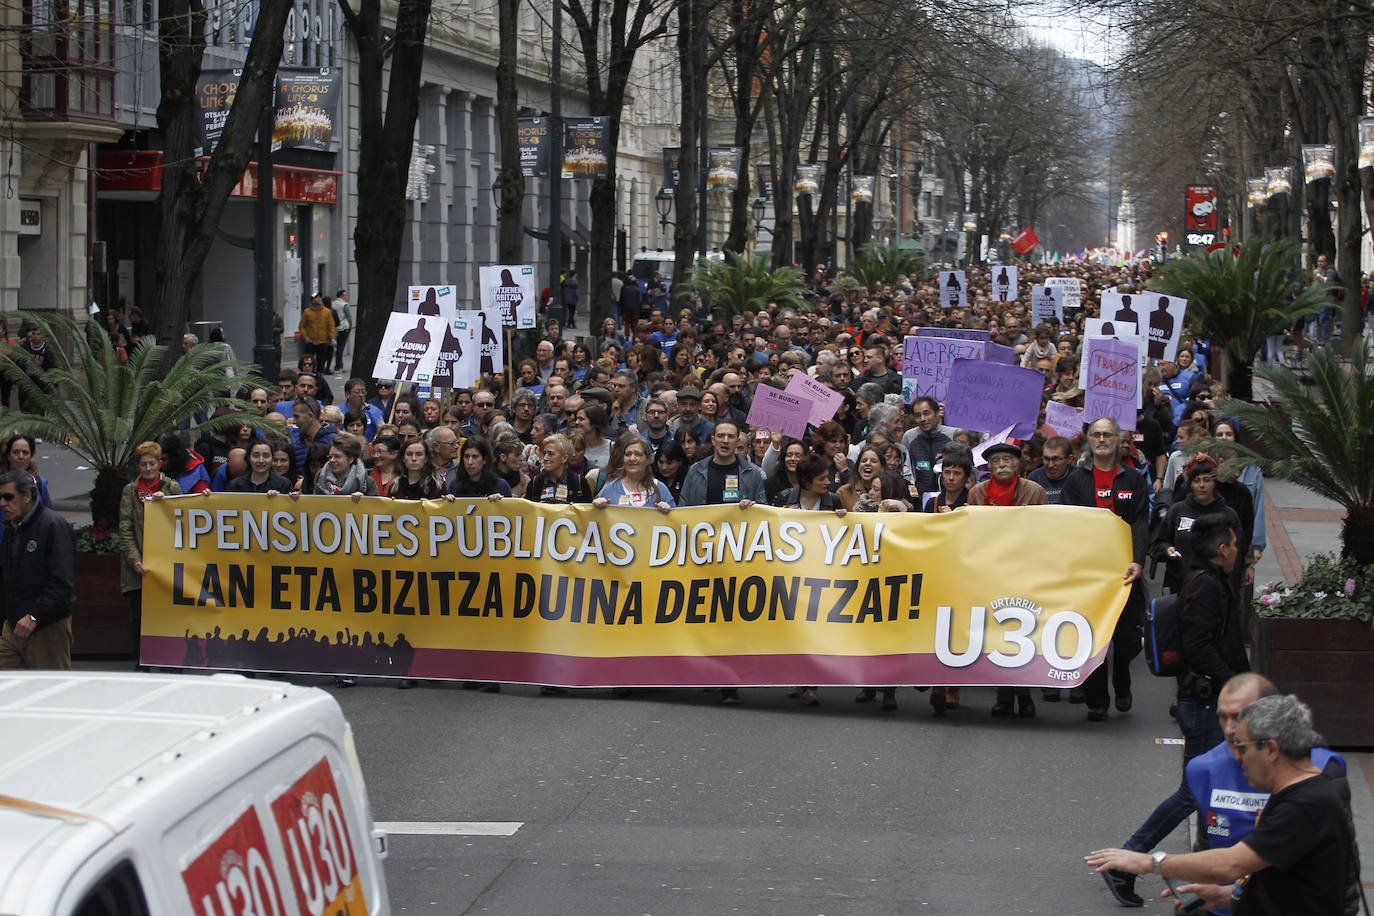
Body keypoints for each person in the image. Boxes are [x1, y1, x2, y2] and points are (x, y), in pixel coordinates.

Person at [1087, 694, 1356, 916]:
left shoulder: (1304, 805)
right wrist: (1227, 896)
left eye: (1242, 747)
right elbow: (1290, 885)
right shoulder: (1299, 794)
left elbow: (1230, 864)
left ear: (1272, 750)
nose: (1237, 758)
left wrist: (1151, 862)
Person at [1061, 417, 1149, 720]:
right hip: (1089, 575)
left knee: (1126, 639)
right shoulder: (1076, 479)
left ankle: (1122, 677)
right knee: (1093, 638)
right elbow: (1068, 525)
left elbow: (1140, 522)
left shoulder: (1133, 479)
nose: (1101, 439)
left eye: (1107, 434)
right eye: (1096, 434)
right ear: (1090, 439)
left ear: (1117, 439)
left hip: (1124, 573)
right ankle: (1096, 700)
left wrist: (1138, 560)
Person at [678, 420, 767, 704]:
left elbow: (766, 514)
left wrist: (752, 510)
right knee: (706, 618)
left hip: (738, 558)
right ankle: (709, 673)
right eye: (721, 436)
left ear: (738, 440)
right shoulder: (696, 471)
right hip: (703, 557)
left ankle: (730, 683)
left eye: (731, 436)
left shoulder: (752, 473)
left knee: (732, 620)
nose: (726, 441)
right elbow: (683, 511)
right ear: (713, 439)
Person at [0, 469, 75, 669]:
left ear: (27, 496)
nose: (2, 503)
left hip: (47, 627)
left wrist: (35, 615)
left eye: (8, 497)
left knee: (50, 690)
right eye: (0, 498)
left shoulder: (53, 526)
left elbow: (62, 583)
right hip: (12, 625)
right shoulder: (10, 529)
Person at [119, 441, 183, 666]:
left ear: (160, 464)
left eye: (152, 464)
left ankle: (169, 660)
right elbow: (125, 528)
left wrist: (164, 503)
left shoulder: (171, 487)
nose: (148, 468)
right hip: (137, 569)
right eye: (143, 464)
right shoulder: (129, 491)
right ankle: (141, 661)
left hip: (166, 566)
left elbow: (181, 521)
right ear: (137, 466)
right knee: (139, 618)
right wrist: (135, 560)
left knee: (167, 616)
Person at [593, 435, 674, 510]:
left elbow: (676, 521)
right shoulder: (610, 489)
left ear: (648, 459)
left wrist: (669, 510)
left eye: (638, 454)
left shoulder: (660, 489)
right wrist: (597, 509)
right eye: (628, 454)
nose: (632, 458)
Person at [312, 433, 379, 497]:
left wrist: (364, 500)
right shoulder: (321, 477)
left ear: (350, 459)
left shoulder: (367, 482)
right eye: (330, 457)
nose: (332, 460)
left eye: (337, 456)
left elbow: (375, 507)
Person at [1028, 435, 1085, 505]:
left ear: (1070, 459)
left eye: (1056, 459)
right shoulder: (1034, 478)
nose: (1050, 465)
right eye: (1046, 459)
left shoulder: (1081, 477)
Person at [1, 434, 52, 507]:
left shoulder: (40, 483)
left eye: (25, 453)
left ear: (31, 457)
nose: (20, 456)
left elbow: (49, 514)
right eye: (15, 452)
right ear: (8, 456)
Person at [227, 440, 293, 494]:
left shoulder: (284, 484)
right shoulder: (235, 485)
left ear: (272, 458)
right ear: (248, 458)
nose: (261, 460)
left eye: (266, 456)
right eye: (256, 456)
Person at [299, 292, 337, 371]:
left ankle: (319, 375)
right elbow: (302, 326)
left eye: (319, 297)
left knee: (321, 361)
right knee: (309, 361)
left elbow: (331, 325)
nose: (319, 299)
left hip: (322, 341)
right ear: (312, 300)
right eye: (316, 297)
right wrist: (305, 337)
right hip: (310, 341)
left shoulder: (327, 312)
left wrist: (333, 338)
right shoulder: (307, 312)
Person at [332, 289, 354, 372]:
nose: (346, 296)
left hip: (334, 328)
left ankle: (338, 365)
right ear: (341, 296)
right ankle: (339, 365)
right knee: (341, 347)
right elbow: (349, 318)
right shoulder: (345, 305)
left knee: (336, 347)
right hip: (343, 328)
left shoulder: (333, 304)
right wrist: (350, 327)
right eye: (345, 295)